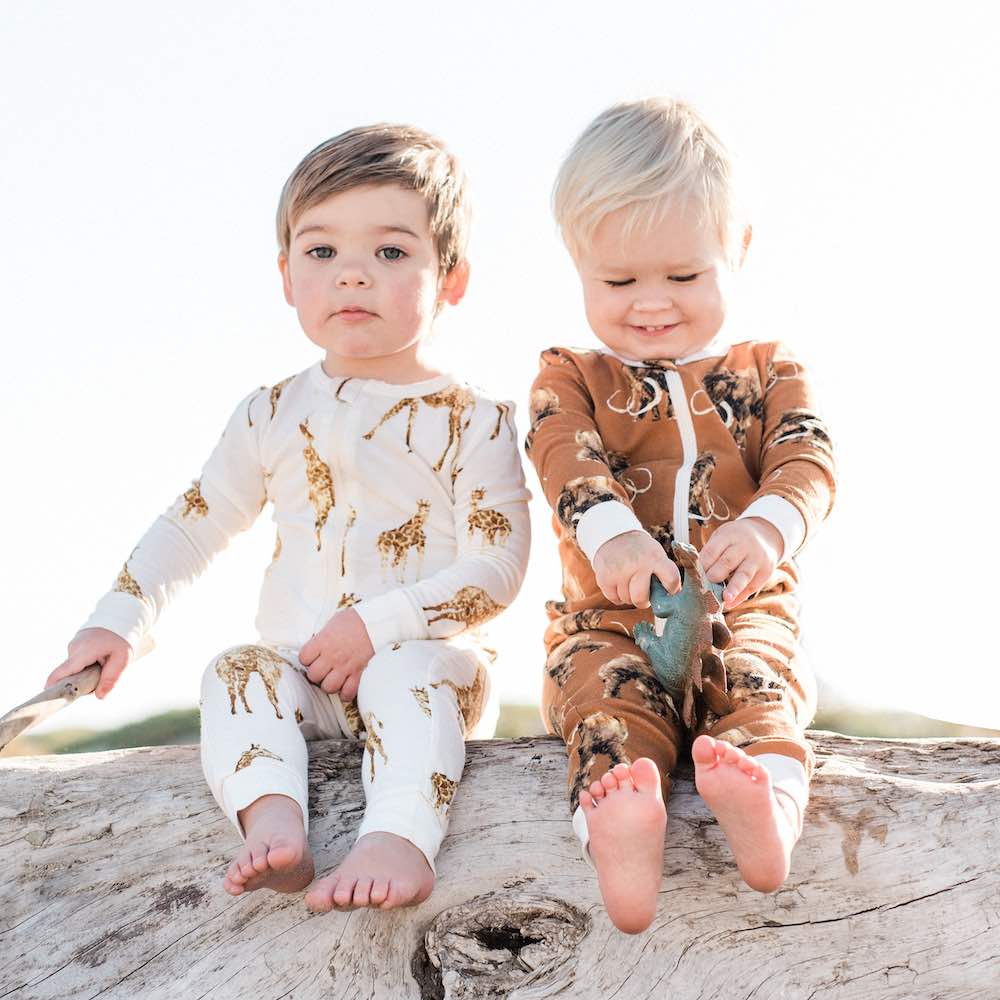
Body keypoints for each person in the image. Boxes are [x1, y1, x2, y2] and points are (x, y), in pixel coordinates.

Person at [46, 123, 531, 912]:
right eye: (321, 252)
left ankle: (398, 838)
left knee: (406, 676)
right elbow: (196, 522)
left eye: (391, 253)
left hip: (430, 670)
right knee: (234, 671)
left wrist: (378, 626)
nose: (352, 277)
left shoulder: (473, 420)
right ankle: (274, 824)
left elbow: (498, 567)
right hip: (306, 678)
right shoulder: (270, 413)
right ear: (285, 275)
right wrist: (118, 619)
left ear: (453, 280)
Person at [526, 97, 836, 933]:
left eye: (685, 276)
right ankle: (621, 834)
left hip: (743, 610)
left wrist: (769, 525)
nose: (652, 303)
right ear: (577, 263)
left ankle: (766, 807)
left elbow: (810, 459)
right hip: (612, 620)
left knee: (760, 689)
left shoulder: (771, 370)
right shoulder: (570, 377)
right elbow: (564, 459)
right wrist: (614, 536)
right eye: (619, 281)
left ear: (737, 249)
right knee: (603, 706)